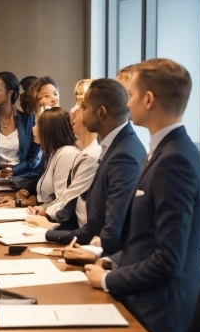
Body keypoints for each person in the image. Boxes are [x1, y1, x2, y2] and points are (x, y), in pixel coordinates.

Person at [85, 59, 200, 332]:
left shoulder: (175, 160)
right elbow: (145, 237)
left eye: (130, 94)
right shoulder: (163, 151)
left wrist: (108, 279)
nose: (126, 103)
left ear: (149, 99)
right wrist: (112, 261)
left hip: (160, 314)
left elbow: (167, 260)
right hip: (145, 301)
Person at [45, 78, 146, 255]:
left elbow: (113, 227)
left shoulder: (124, 154)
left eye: (84, 107)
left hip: (110, 262)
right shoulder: (112, 145)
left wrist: (96, 255)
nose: (78, 112)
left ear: (101, 112)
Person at [26, 96, 101, 229]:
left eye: (38, 124)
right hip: (59, 219)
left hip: (68, 224)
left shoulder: (70, 153)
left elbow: (66, 197)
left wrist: (47, 216)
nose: (73, 112)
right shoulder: (54, 152)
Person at [0, 107, 79, 210]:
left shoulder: (67, 153)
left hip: (51, 219)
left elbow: (61, 201)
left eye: (38, 124)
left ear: (51, 128)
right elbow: (45, 199)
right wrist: (17, 202)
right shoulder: (53, 153)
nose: (33, 128)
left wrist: (39, 212)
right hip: (42, 213)